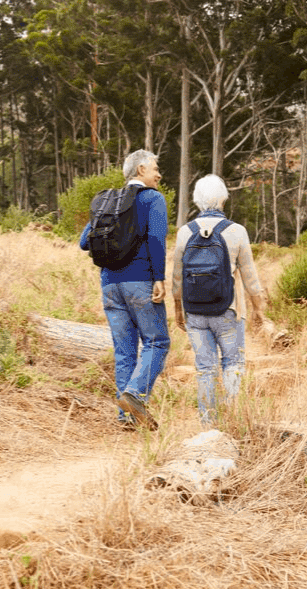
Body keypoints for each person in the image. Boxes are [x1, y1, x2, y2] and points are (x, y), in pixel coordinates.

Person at [79, 149, 170, 429]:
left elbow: (84, 241)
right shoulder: (153, 198)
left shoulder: (109, 201)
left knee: (124, 351)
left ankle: (127, 418)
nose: (158, 174)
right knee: (157, 342)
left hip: (109, 284)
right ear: (141, 169)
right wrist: (159, 277)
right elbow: (156, 239)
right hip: (140, 280)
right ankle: (135, 395)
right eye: (155, 168)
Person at [172, 174, 266, 426]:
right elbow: (250, 276)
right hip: (229, 310)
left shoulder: (184, 232)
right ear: (223, 199)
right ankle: (233, 420)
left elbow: (177, 278)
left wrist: (178, 311)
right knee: (233, 363)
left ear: (196, 200)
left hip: (195, 313)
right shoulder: (236, 231)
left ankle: (207, 425)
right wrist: (259, 311)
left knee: (205, 369)